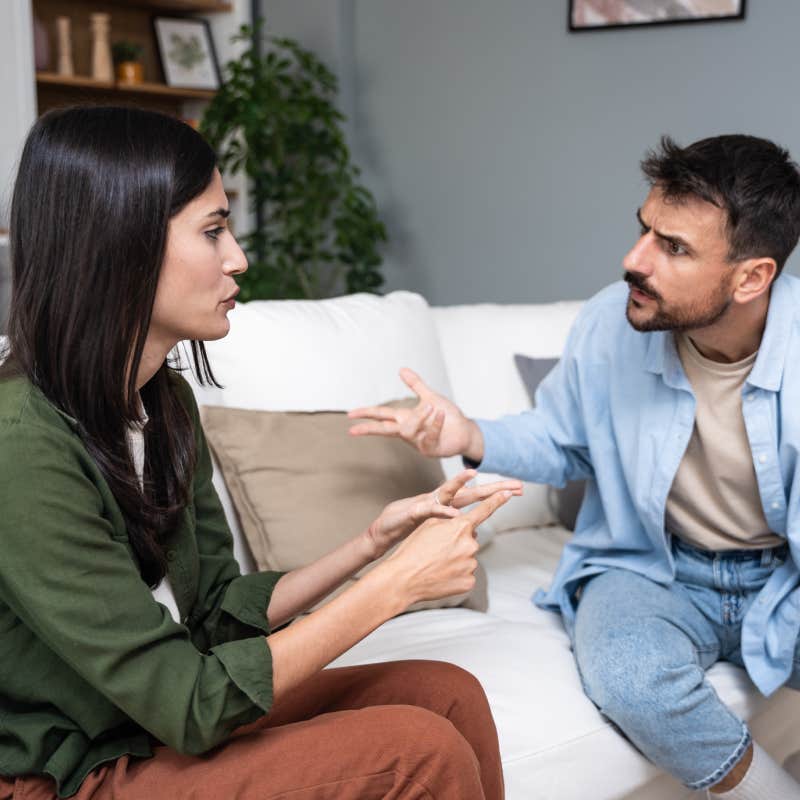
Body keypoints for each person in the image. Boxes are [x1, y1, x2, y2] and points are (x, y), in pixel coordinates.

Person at [0, 106, 522, 800]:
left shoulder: (165, 404)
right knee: (415, 753)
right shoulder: (21, 444)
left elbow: (216, 610)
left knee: (446, 694)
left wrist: (374, 545)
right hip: (71, 769)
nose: (238, 258)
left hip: (147, 724)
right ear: (120, 244)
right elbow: (190, 701)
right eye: (213, 231)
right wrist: (393, 589)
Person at [350, 134, 800, 800]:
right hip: (654, 566)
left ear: (752, 277)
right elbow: (562, 442)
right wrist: (467, 432)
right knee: (626, 675)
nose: (633, 261)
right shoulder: (611, 324)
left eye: (673, 248)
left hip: (782, 573)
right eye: (644, 230)